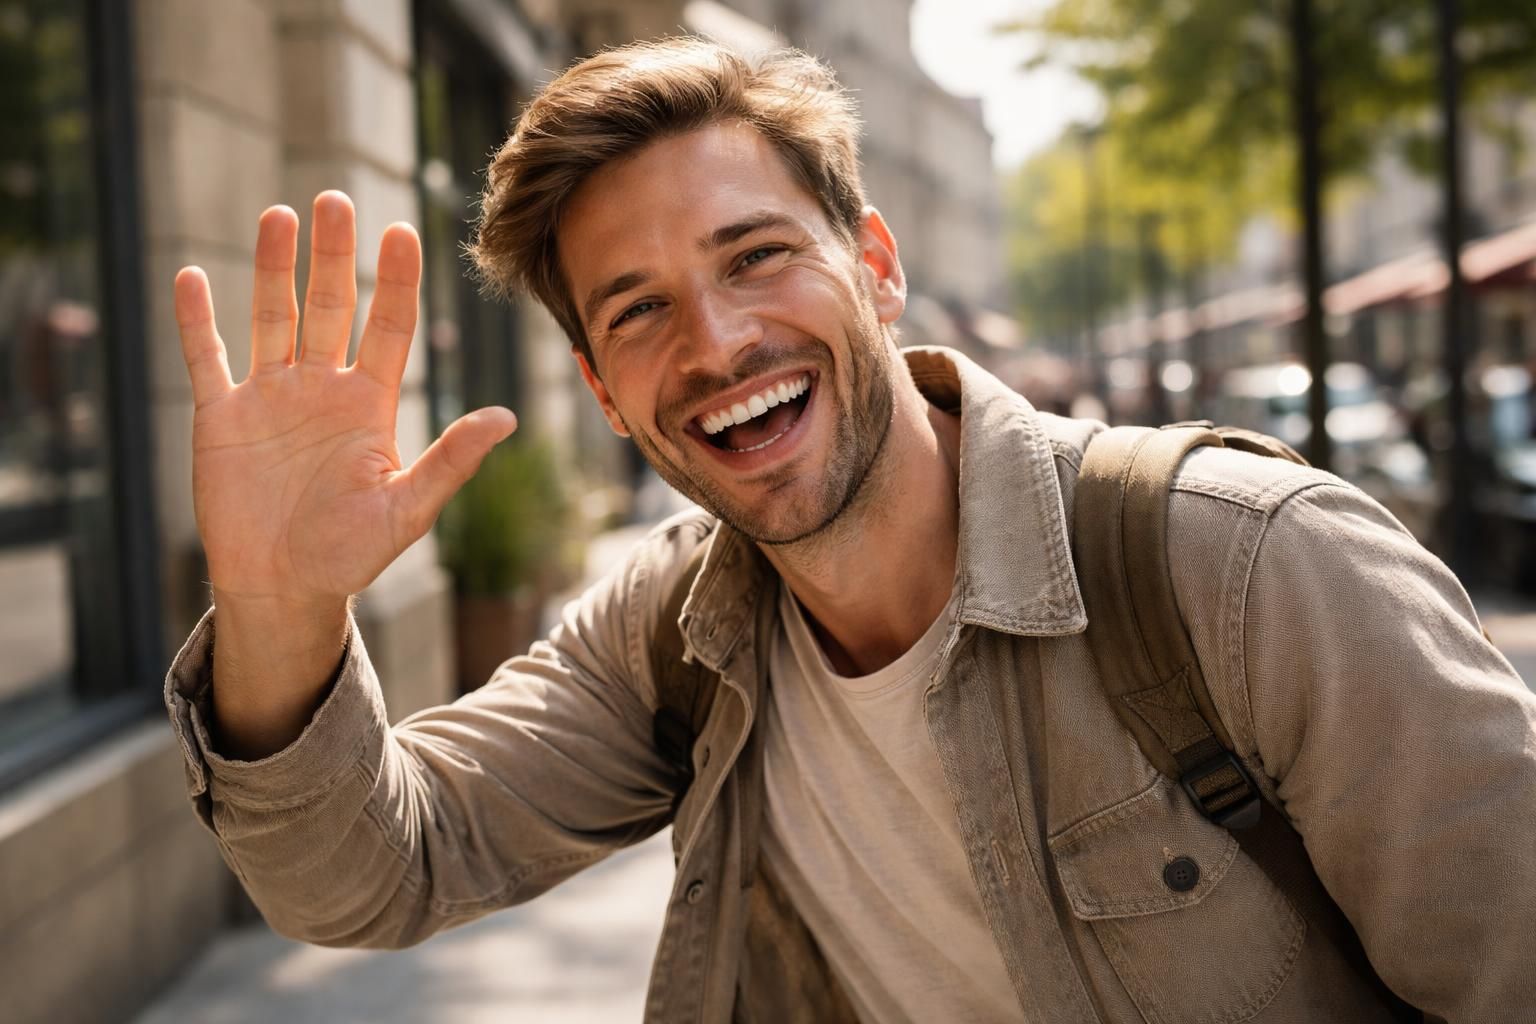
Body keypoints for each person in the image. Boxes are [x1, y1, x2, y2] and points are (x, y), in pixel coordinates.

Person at [164, 37, 1536, 1023]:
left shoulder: (1248, 567)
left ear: (874, 267)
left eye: (756, 255)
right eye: (636, 311)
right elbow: (370, 878)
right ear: (603, 393)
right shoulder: (666, 642)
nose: (716, 341)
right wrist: (282, 610)